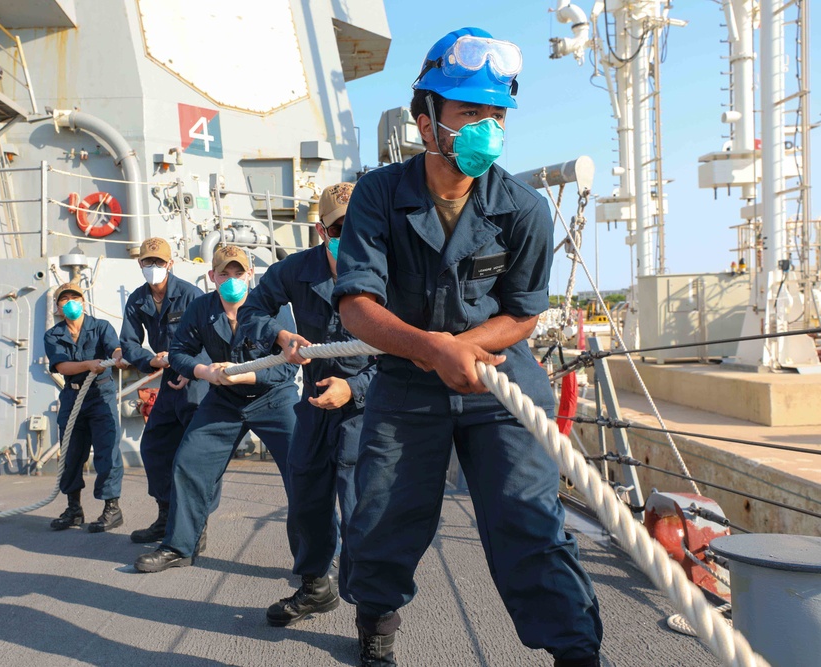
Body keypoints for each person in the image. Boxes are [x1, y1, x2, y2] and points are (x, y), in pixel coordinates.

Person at [331, 28, 603, 667]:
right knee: (381, 518)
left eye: (495, 115)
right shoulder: (377, 196)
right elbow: (356, 305)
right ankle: (377, 623)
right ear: (426, 123)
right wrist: (431, 349)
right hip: (408, 385)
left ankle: (577, 652)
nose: (486, 127)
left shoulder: (524, 209)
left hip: (501, 382)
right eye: (468, 113)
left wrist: (463, 348)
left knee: (530, 523)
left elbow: (523, 313)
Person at [238, 182, 376, 627]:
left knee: (363, 512)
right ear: (322, 230)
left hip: (368, 409)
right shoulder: (296, 270)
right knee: (305, 502)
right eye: (339, 227)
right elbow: (251, 311)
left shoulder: (389, 270)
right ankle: (316, 586)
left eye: (358, 225)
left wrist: (353, 390)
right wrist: (279, 334)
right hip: (315, 403)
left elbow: (407, 356)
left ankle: (374, 618)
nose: (349, 234)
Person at [134, 245, 300, 573]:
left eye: (239, 273)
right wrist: (204, 372)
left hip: (274, 398)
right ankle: (181, 545)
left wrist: (241, 375)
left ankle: (322, 556)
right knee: (189, 462)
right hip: (223, 400)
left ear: (251, 275)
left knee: (304, 470)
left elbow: (285, 367)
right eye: (225, 273)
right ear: (212, 276)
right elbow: (180, 351)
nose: (233, 279)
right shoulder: (201, 309)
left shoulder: (275, 309)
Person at [119, 237, 214, 544]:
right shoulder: (137, 299)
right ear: (140, 264)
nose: (154, 267)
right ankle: (165, 516)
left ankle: (197, 525)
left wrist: (190, 367)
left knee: (195, 455)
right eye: (149, 262)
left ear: (170, 264)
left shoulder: (191, 295)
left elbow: (211, 339)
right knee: (155, 447)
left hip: (196, 384)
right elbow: (129, 341)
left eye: (160, 262)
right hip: (169, 385)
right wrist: (149, 359)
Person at [43, 282, 128, 533]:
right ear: (58, 306)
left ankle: (112, 509)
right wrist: (89, 364)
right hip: (72, 397)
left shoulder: (101, 327)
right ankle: (74, 510)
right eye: (64, 299)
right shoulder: (53, 335)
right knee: (71, 455)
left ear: (84, 301)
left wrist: (119, 356)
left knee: (107, 452)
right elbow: (62, 367)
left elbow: (115, 347)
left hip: (100, 395)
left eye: (75, 297)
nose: (70, 302)